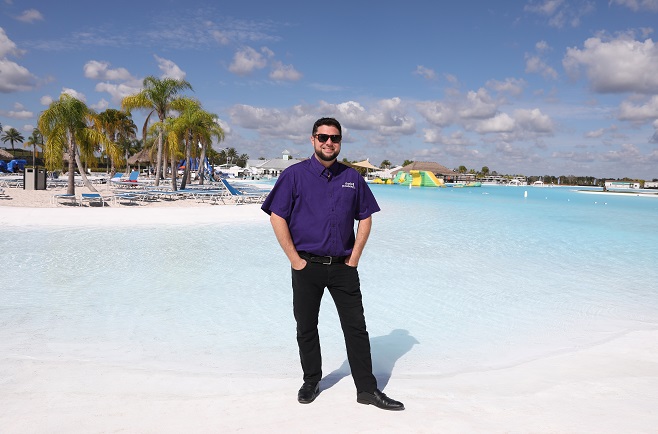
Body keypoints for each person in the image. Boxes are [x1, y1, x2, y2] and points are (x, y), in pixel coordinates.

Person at [261, 117, 404, 411]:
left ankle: (366, 389)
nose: (329, 142)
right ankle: (311, 380)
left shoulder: (352, 177)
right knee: (306, 326)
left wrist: (355, 257)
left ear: (340, 142)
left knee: (356, 328)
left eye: (335, 138)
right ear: (313, 139)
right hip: (306, 266)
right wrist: (294, 260)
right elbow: (277, 216)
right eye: (323, 137)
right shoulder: (294, 175)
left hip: (343, 267)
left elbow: (366, 216)